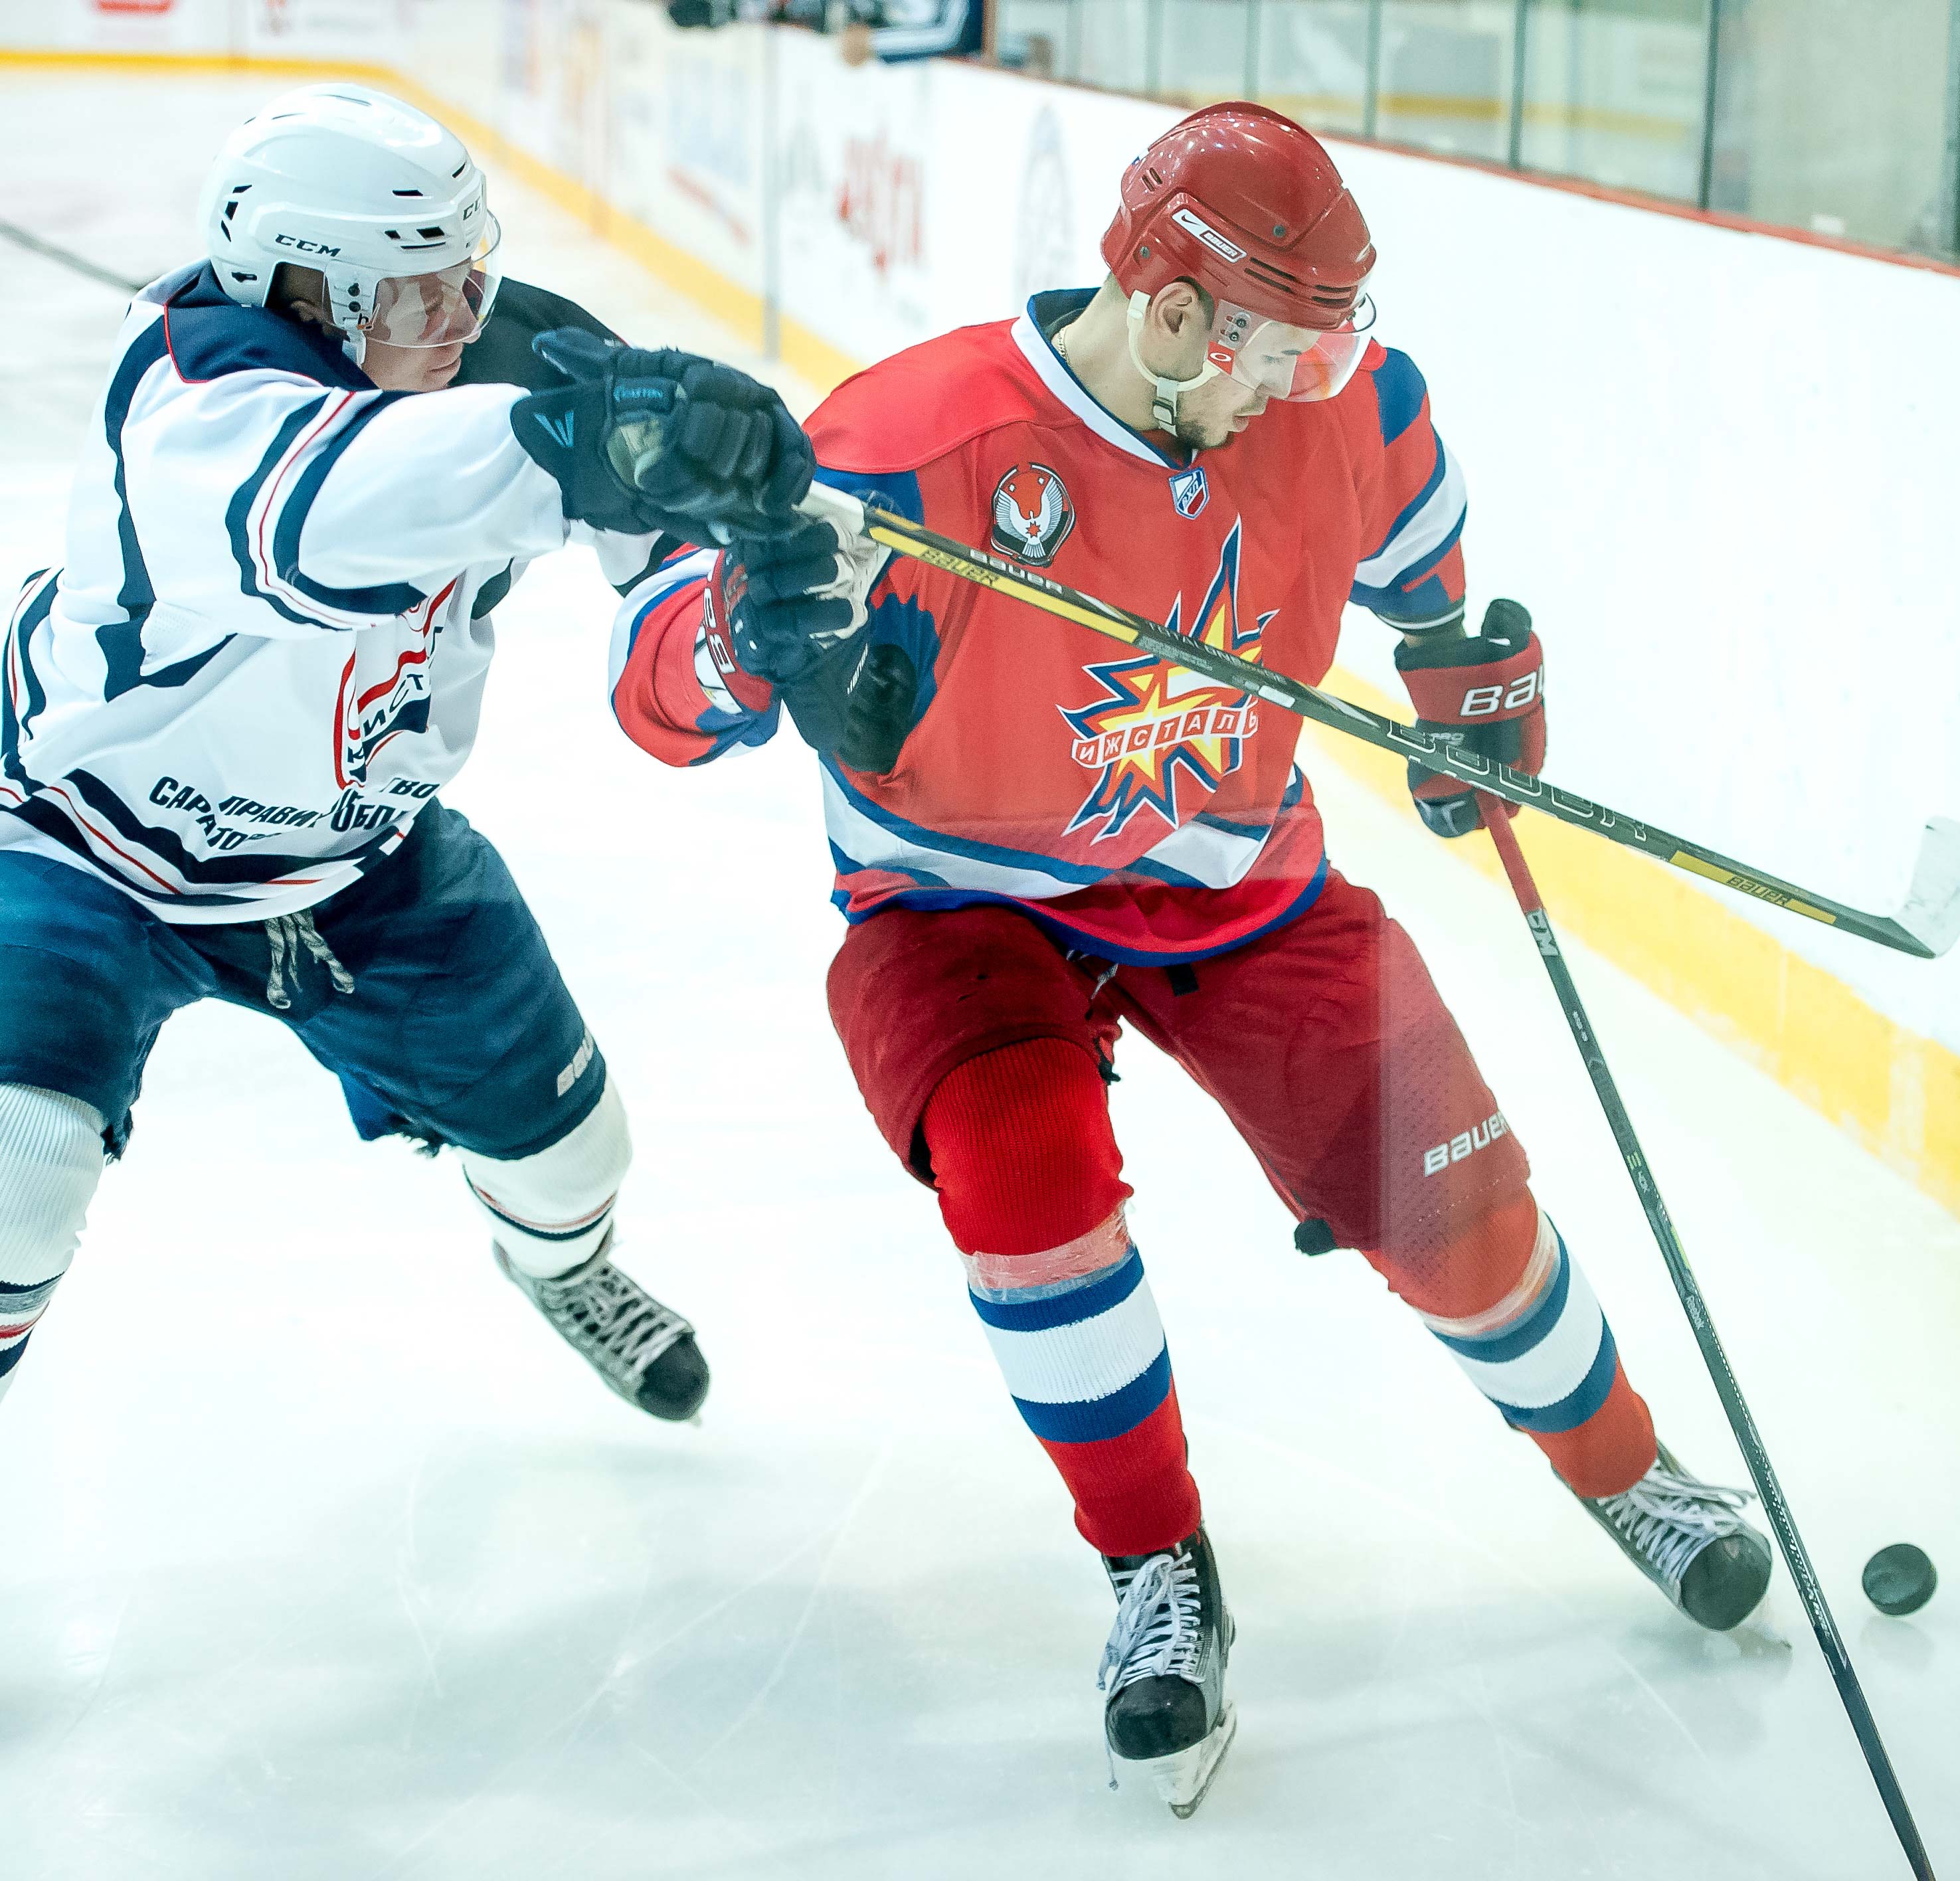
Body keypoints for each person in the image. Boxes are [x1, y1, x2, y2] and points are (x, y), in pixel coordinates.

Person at [609, 102, 1773, 1814]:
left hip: (1237, 886)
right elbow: (654, 698)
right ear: (1170, 311)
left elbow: (1432, 587)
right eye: (1277, 353)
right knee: (1024, 1179)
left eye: (1330, 347)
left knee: (1459, 1210)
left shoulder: (1350, 408)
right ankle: (1157, 1569)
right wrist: (738, 638)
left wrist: (1477, 695)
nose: (1309, 387)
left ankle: (1629, 1471)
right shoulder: (909, 447)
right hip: (957, 903)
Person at [0, 82, 816, 1763]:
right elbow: (339, 517)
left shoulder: (508, 359)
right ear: (301, 289)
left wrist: (747, 629)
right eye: (415, 294)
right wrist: (572, 441)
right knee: (4, 1162)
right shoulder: (192, 393)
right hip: (85, 853)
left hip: (359, 863)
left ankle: (569, 1266)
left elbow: (658, 606)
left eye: (474, 274)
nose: (462, 321)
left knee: (580, 1146)